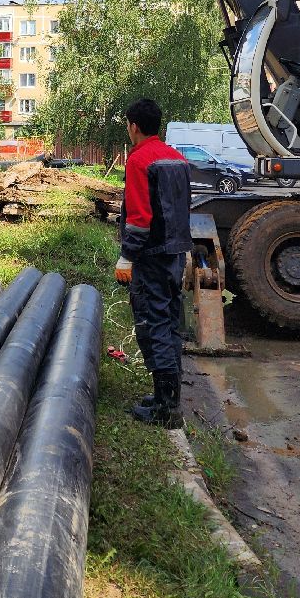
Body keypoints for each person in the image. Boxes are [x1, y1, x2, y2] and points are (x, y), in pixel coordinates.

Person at [114, 98, 193, 428]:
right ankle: (168, 398)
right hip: (174, 255)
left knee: (154, 323)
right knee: (171, 323)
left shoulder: (139, 160)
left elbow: (140, 218)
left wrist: (126, 257)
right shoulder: (177, 158)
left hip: (151, 257)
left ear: (134, 126)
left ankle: (166, 409)